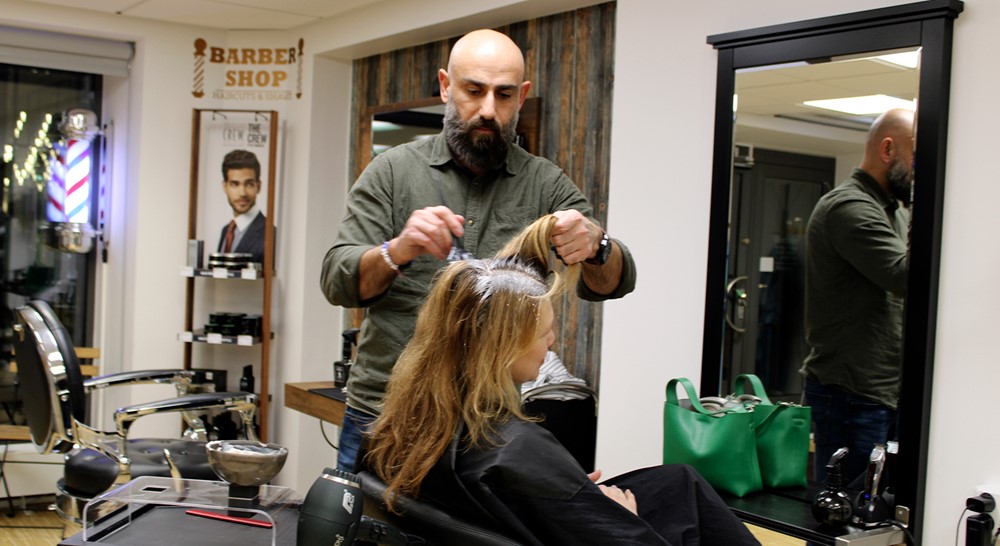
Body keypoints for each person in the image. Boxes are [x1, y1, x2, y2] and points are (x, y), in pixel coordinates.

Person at [321, 29, 637, 471]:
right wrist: (398, 249)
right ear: (446, 86)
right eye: (474, 91)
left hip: (489, 423)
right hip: (386, 412)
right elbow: (337, 280)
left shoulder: (545, 183)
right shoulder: (391, 172)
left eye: (504, 95)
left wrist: (597, 245)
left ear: (521, 96)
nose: (488, 110)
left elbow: (613, 283)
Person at [363, 216, 758, 546]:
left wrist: (559, 492)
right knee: (690, 504)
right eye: (543, 333)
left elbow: (505, 493)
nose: (552, 342)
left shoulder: (402, 423)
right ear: (500, 348)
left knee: (677, 482)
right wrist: (621, 515)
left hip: (523, 519)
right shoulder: (519, 451)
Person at [801, 108, 914, 483]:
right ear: (888, 149)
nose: (921, 169)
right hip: (851, 392)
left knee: (880, 506)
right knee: (845, 506)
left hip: (883, 389)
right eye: (917, 156)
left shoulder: (892, 212)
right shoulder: (849, 207)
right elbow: (903, 276)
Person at [217, 149, 267, 264]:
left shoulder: (270, 234)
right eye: (234, 184)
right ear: (225, 186)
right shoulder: (226, 231)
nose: (242, 193)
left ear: (259, 186)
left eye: (249, 184)